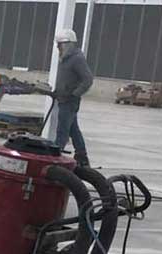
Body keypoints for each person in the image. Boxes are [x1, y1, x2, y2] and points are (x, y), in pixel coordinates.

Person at [53, 29, 93, 167]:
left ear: (68, 44)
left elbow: (87, 79)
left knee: (62, 129)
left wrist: (75, 93)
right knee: (73, 129)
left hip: (70, 100)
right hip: (63, 99)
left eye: (60, 44)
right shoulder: (65, 58)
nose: (58, 47)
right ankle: (82, 155)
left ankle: (56, 156)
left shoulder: (77, 59)